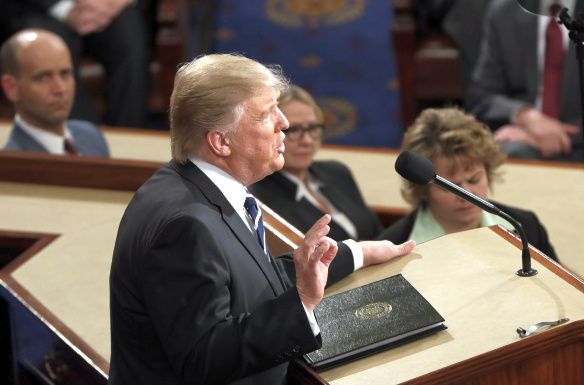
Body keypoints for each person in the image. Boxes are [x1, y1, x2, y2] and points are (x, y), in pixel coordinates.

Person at [108, 54, 414, 385]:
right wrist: (303, 303)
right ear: (221, 141)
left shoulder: (184, 184)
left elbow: (247, 283)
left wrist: (357, 254)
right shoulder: (186, 224)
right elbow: (204, 358)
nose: (284, 123)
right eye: (267, 114)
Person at [464, 0, 584, 165]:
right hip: (520, 141)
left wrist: (545, 135)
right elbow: (481, 95)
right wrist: (525, 116)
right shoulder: (505, 10)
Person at [379, 107, 557, 260]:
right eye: (448, 187)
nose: (466, 195)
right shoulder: (392, 248)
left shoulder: (527, 228)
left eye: (474, 179)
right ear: (423, 190)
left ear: (488, 171)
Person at [250, 85, 383, 241]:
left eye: (312, 128)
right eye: (293, 130)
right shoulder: (259, 197)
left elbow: (378, 233)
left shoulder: (337, 172)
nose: (307, 140)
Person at [3, 0, 152, 127]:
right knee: (46, 50)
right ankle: (83, 148)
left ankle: (129, 140)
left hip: (112, 6)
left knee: (131, 42)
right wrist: (66, 8)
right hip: (40, 9)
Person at [0, 28, 109, 156]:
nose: (60, 89)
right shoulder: (12, 166)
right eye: (43, 77)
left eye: (65, 74)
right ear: (12, 88)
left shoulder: (91, 136)